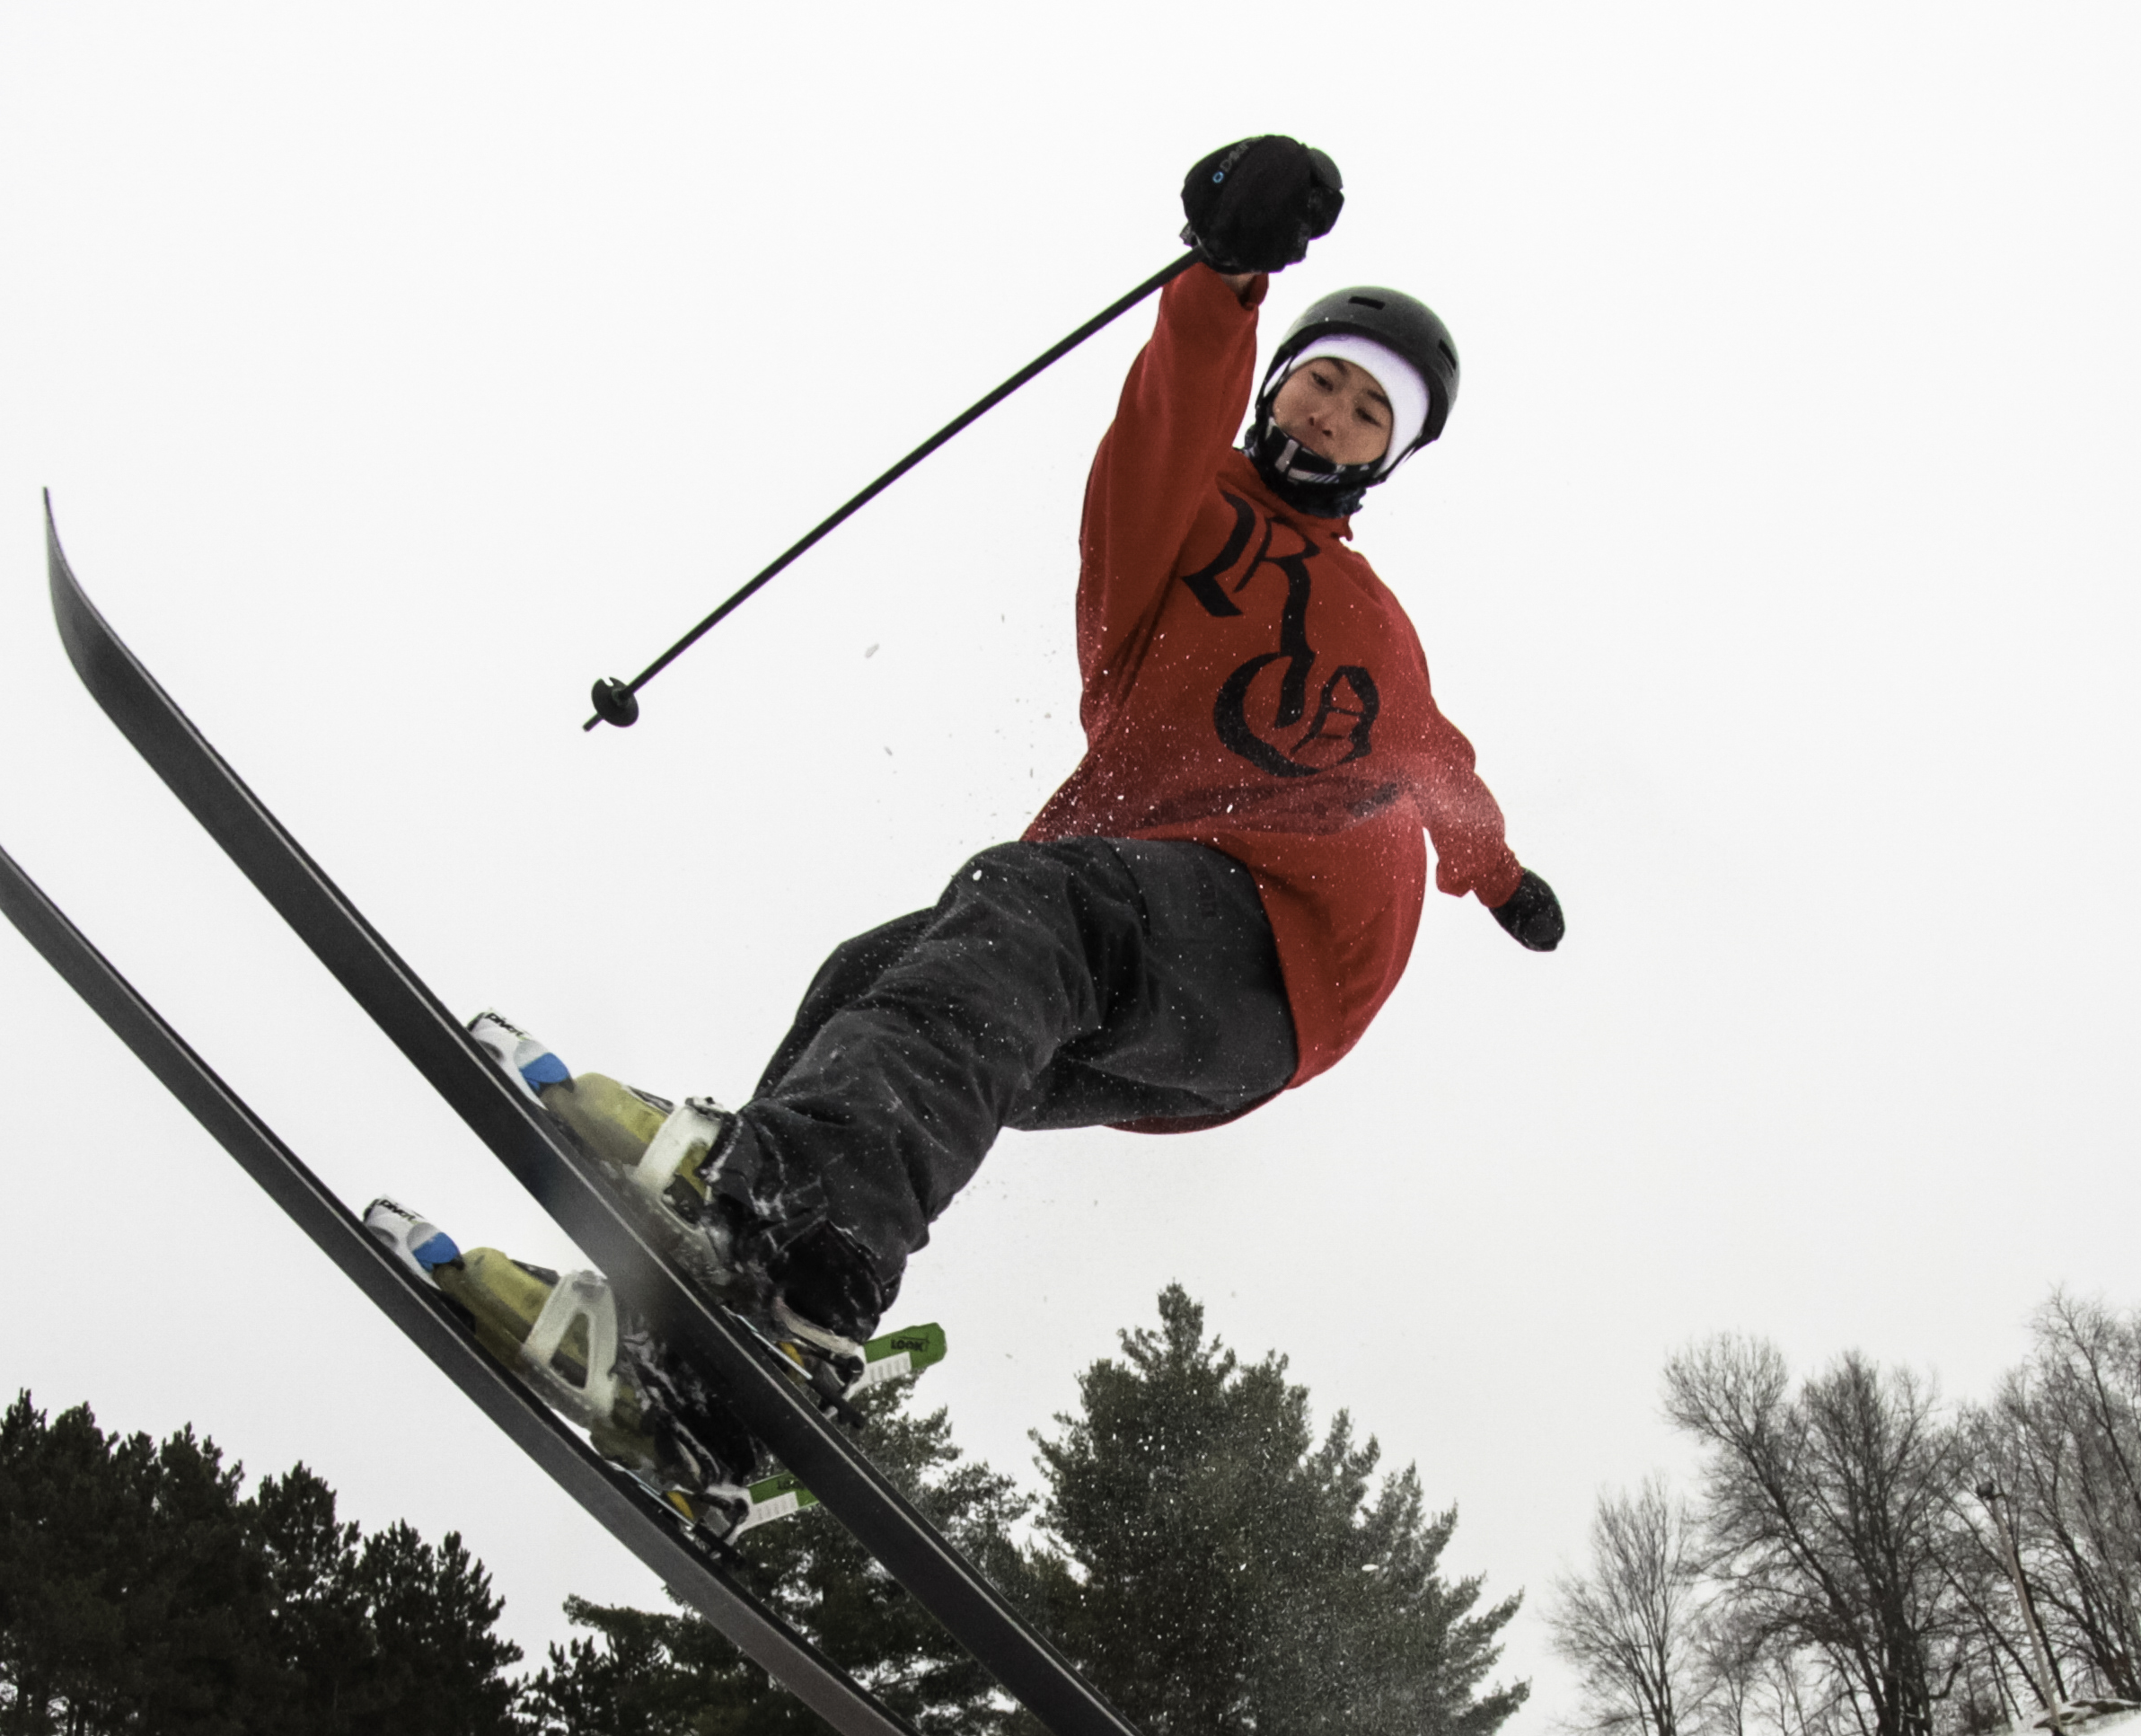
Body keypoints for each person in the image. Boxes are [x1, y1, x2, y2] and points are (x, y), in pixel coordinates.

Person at [420, 136, 1556, 1440]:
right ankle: (716, 1367)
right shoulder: (1182, 514)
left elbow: (1437, 765)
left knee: (1031, 902)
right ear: (1278, 385)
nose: (1334, 416)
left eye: (1370, 414)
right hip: (1171, 955)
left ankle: (800, 1226)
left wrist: (1502, 879)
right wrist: (1225, 279)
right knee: (871, 976)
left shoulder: (1379, 623)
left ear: (1389, 457)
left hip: (1295, 946)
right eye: (1325, 381)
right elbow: (1171, 411)